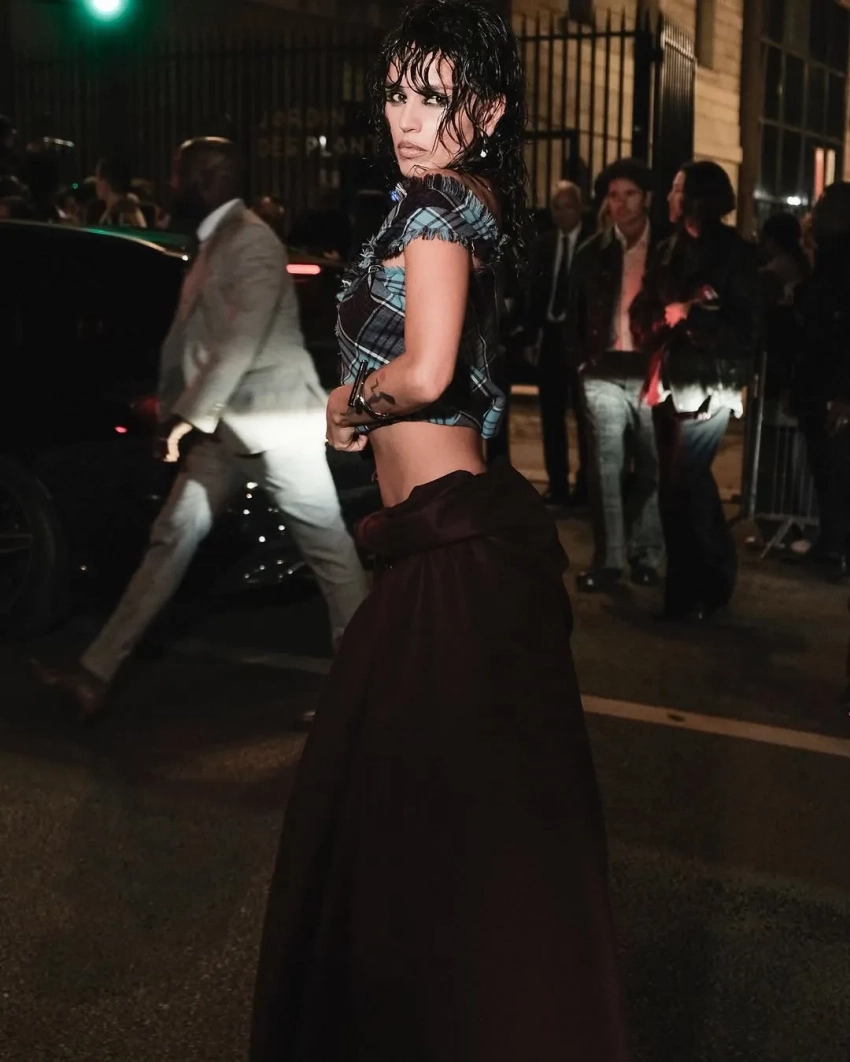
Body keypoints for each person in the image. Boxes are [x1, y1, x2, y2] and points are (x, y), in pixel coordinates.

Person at [250, 4, 629, 1060]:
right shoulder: (469, 201)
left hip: (450, 556)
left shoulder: (434, 208)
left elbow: (423, 372)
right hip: (445, 536)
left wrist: (348, 404)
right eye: (396, 94)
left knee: (412, 828)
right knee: (451, 833)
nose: (407, 118)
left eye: (436, 97)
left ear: (490, 110)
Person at [36, 137, 368, 719]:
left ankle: (369, 686)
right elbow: (196, 339)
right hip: (224, 429)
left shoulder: (253, 241)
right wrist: (182, 410)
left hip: (275, 424)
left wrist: (187, 416)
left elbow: (239, 343)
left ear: (208, 178)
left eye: (178, 172)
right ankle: (94, 676)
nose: (171, 182)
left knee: (329, 552)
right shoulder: (214, 238)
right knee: (171, 539)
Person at [631, 161, 758, 620]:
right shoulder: (668, 249)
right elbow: (645, 308)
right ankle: (692, 587)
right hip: (669, 380)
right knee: (681, 485)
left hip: (710, 386)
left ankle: (701, 584)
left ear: (697, 197)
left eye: (678, 188)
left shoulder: (733, 253)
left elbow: (746, 327)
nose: (670, 195)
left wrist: (693, 317)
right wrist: (660, 320)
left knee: (683, 482)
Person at [567, 158, 665, 593]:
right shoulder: (593, 252)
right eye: (613, 195)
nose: (621, 204)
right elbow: (574, 313)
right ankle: (610, 559)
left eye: (630, 194)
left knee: (652, 464)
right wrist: (583, 363)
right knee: (605, 467)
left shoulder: (666, 250)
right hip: (603, 369)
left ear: (646, 198)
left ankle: (647, 553)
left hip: (652, 371)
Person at [523, 179, 594, 505]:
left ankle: (586, 485)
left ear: (579, 208)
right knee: (551, 414)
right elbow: (535, 292)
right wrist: (531, 335)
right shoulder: (545, 244)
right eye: (556, 207)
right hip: (552, 336)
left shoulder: (592, 242)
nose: (562, 213)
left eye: (568, 206)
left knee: (584, 415)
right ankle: (558, 484)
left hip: (580, 338)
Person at [795, 181, 850, 577]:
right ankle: (833, 542)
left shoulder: (838, 261)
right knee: (829, 469)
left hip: (831, 383)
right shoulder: (829, 256)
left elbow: (834, 328)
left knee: (834, 470)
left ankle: (835, 545)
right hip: (823, 380)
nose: (817, 209)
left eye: (825, 203)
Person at [95, 156, 147, 228]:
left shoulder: (116, 216)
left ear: (106, 182)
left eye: (98, 178)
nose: (96, 183)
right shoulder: (131, 209)